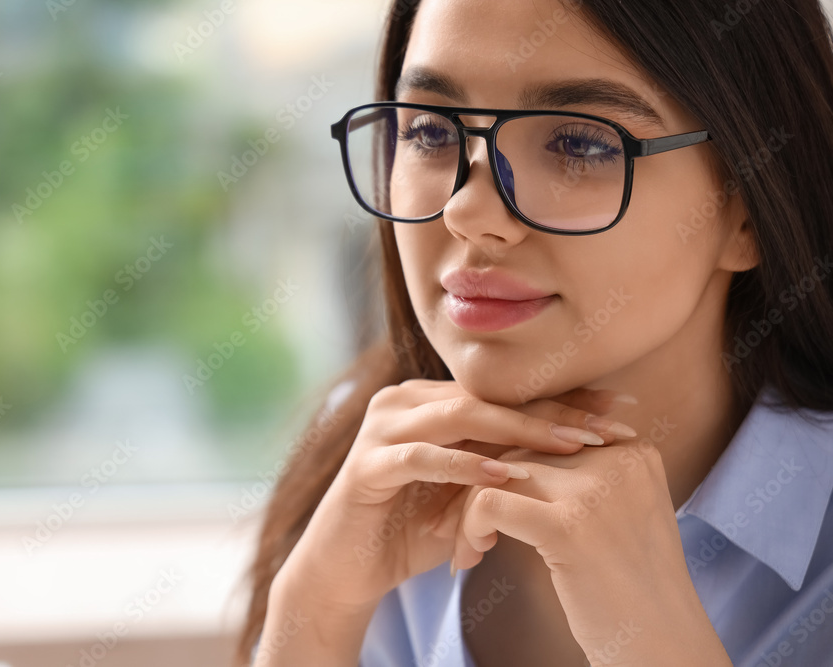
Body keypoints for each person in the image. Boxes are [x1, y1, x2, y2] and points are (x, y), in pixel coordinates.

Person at [235, 0, 833, 665]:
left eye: (578, 144)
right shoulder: (363, 465)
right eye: (431, 131)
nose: (469, 211)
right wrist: (312, 615)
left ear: (747, 211)